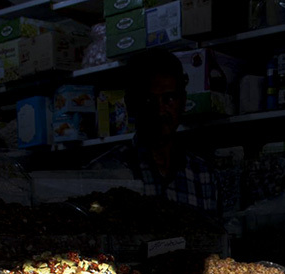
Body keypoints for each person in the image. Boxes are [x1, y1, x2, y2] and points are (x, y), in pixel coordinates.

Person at [90, 48, 219, 214]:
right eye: (148, 100)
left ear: (183, 101)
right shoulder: (104, 172)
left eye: (169, 98)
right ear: (131, 104)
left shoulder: (203, 175)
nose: (160, 110)